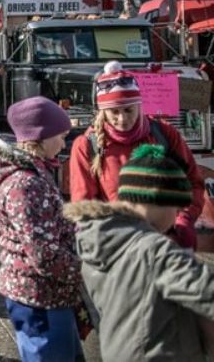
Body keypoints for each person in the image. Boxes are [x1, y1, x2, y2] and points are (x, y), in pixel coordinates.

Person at [64, 144, 214, 361]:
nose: (176, 218)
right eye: (176, 209)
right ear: (160, 200)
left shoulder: (96, 239)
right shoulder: (154, 251)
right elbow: (207, 293)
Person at [0, 96, 83, 361]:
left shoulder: (33, 174)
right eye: (60, 136)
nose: (63, 143)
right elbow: (43, 254)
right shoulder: (26, 185)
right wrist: (89, 274)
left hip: (43, 294)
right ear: (39, 137)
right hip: (39, 297)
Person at [69, 61, 205, 249]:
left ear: (140, 105)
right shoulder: (86, 146)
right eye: (114, 112)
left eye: (128, 110)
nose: (122, 118)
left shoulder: (165, 135)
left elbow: (193, 183)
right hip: (121, 247)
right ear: (102, 112)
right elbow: (85, 207)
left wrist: (184, 221)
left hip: (170, 242)